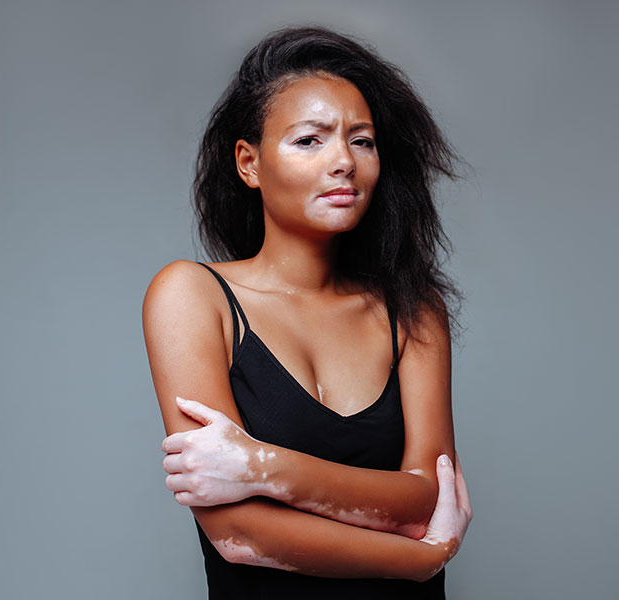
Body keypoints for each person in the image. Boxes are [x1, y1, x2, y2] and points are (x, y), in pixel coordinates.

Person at [142, 26, 471, 599]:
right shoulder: (192, 296)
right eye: (310, 140)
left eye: (362, 141)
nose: (343, 161)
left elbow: (426, 501)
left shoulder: (413, 310)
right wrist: (418, 562)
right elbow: (237, 532)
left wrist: (259, 466)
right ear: (249, 163)